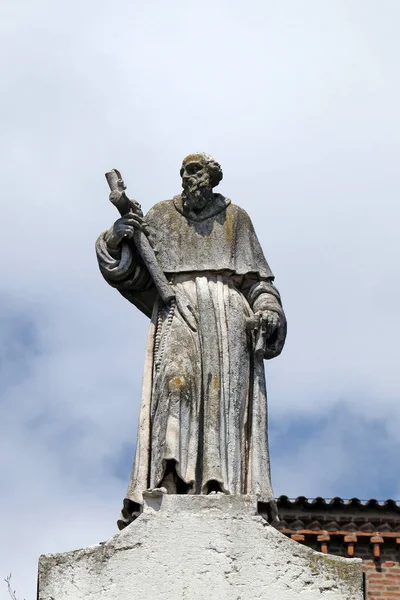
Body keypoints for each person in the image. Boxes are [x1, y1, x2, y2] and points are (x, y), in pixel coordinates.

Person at [96, 153, 287, 529]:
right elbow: (133, 269)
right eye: (184, 170)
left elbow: (260, 284)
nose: (188, 177)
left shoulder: (237, 219)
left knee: (222, 399)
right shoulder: (162, 215)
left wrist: (268, 311)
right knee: (175, 382)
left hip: (228, 317)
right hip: (175, 308)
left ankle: (223, 483)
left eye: (196, 170)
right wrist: (115, 237)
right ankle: (167, 477)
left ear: (212, 177)